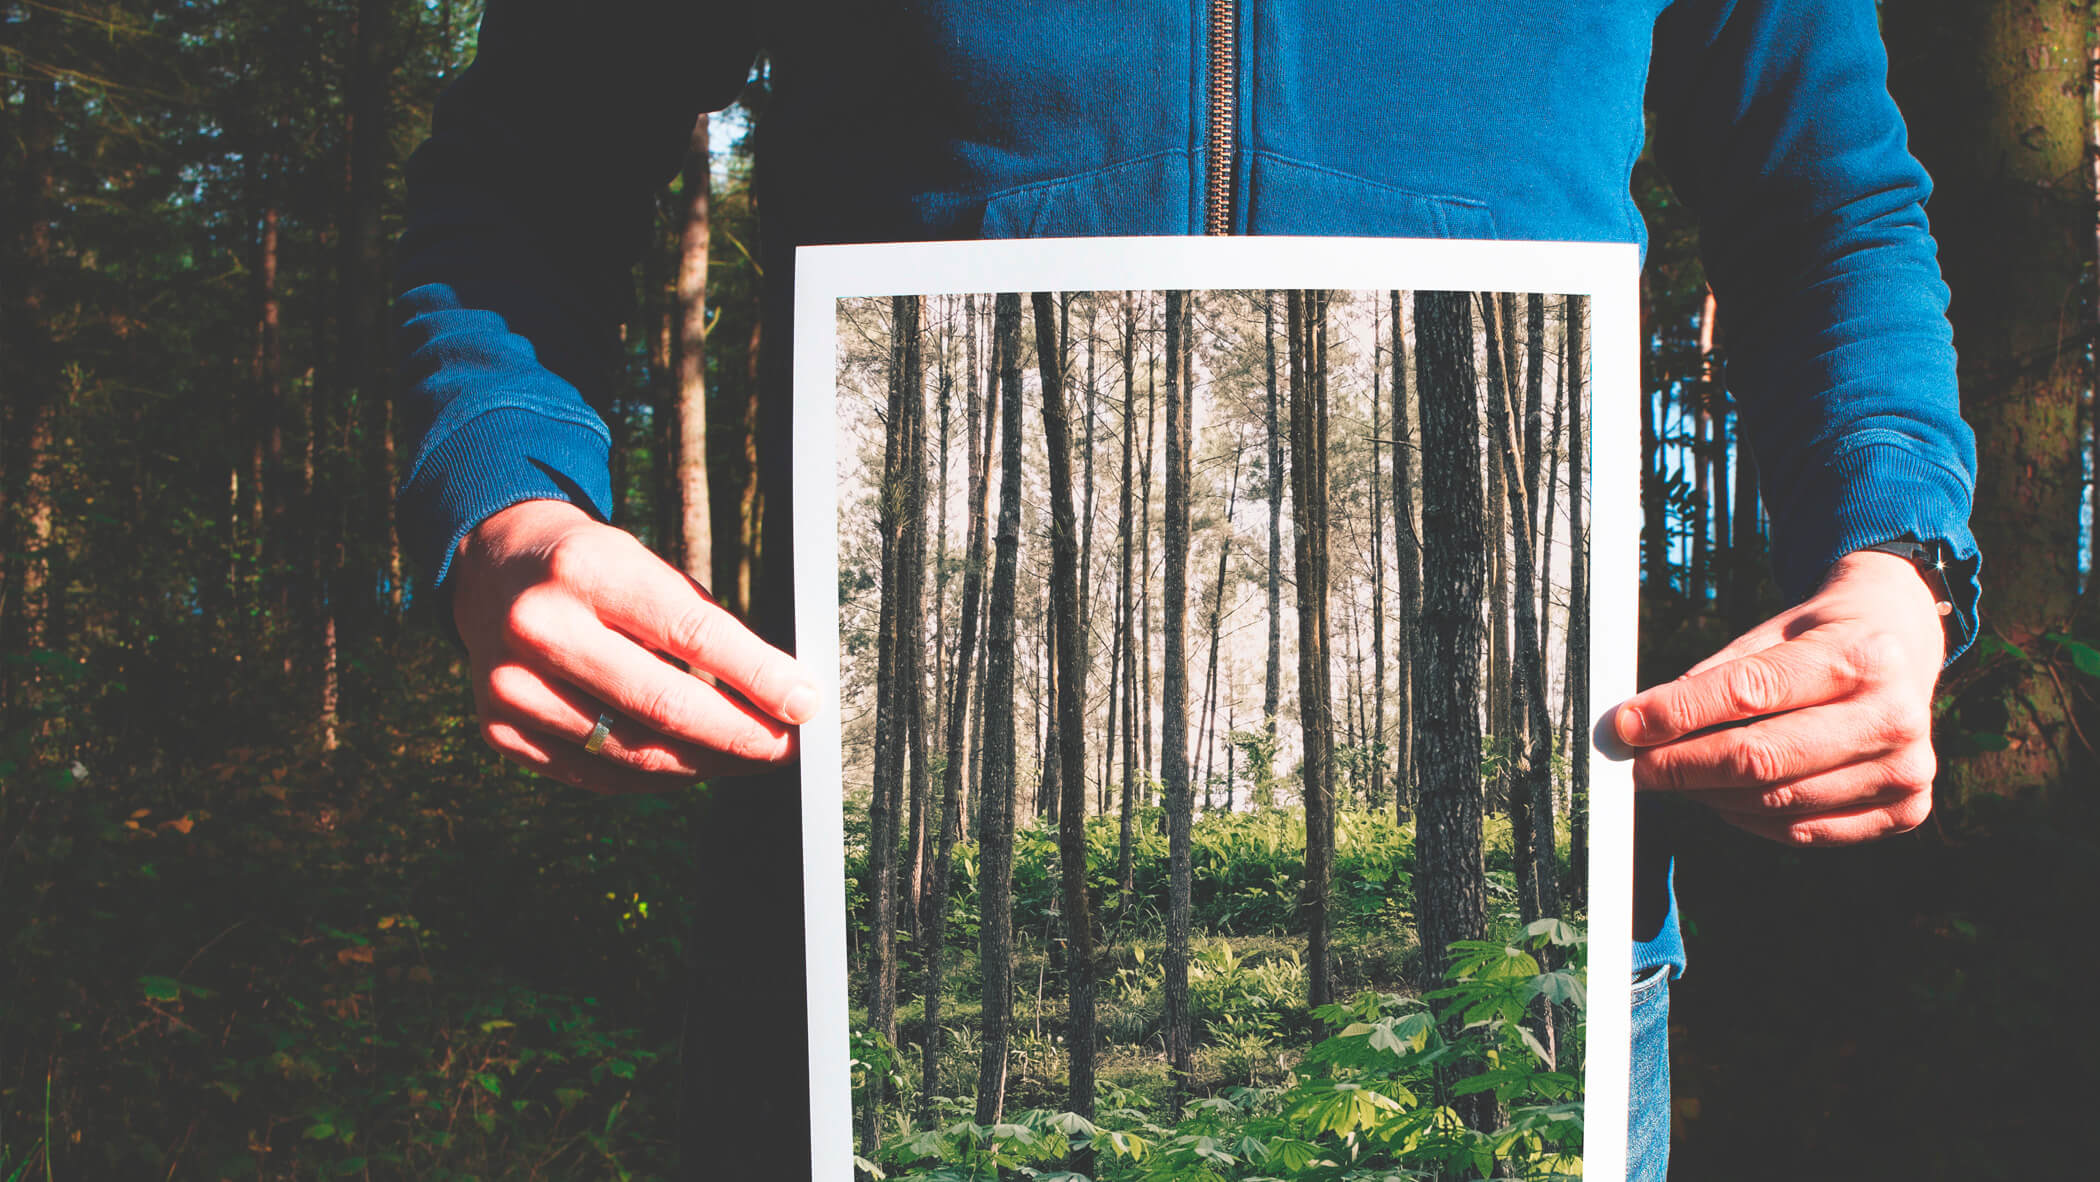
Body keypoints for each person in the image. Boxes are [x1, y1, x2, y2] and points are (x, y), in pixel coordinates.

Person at [393, 2, 1978, 1176]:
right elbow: (524, 165)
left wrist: (1897, 559)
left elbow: (1829, 204)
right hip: (857, 977)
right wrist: (503, 494)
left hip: (1529, 987)